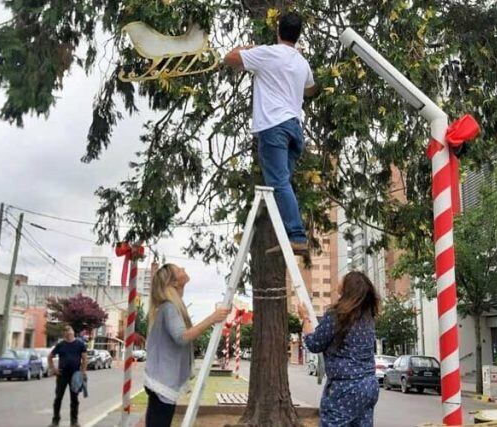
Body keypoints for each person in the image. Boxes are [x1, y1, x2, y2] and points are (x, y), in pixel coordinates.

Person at [224, 12, 317, 255]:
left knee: (277, 182)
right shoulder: (301, 63)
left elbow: (229, 58)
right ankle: (291, 234)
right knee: (281, 184)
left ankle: (297, 235)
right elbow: (310, 90)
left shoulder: (268, 53)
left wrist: (248, 47)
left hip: (273, 127)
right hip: (294, 128)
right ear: (297, 36)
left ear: (278, 30)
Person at [143, 264, 231, 427]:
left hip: (161, 381)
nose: (184, 268)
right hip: (161, 382)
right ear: (174, 282)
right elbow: (182, 337)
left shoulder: (170, 307)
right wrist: (212, 318)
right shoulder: (169, 307)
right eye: (179, 270)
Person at [298, 271, 380, 427]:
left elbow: (314, 344)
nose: (340, 279)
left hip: (345, 388)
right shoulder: (368, 317)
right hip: (369, 385)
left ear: (347, 289)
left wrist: (306, 319)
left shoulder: (337, 315)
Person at [48, 324, 88, 427]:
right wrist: (54, 369)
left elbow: (84, 359)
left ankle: (74, 421)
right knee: (58, 398)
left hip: (75, 376)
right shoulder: (60, 345)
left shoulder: (80, 344)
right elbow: (50, 356)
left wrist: (82, 372)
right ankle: (55, 420)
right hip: (62, 375)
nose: (68, 332)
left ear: (73, 331)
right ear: (64, 333)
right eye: (65, 331)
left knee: (74, 399)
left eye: (69, 330)